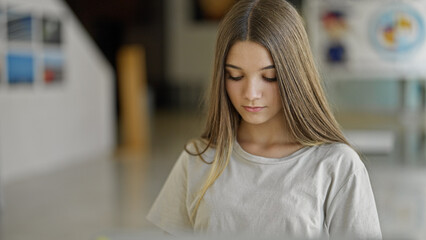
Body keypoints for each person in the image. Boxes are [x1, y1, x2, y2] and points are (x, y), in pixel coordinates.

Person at [147, 0, 382, 239]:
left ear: (294, 76)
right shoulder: (198, 158)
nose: (250, 93)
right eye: (235, 76)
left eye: (269, 77)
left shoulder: (337, 165)